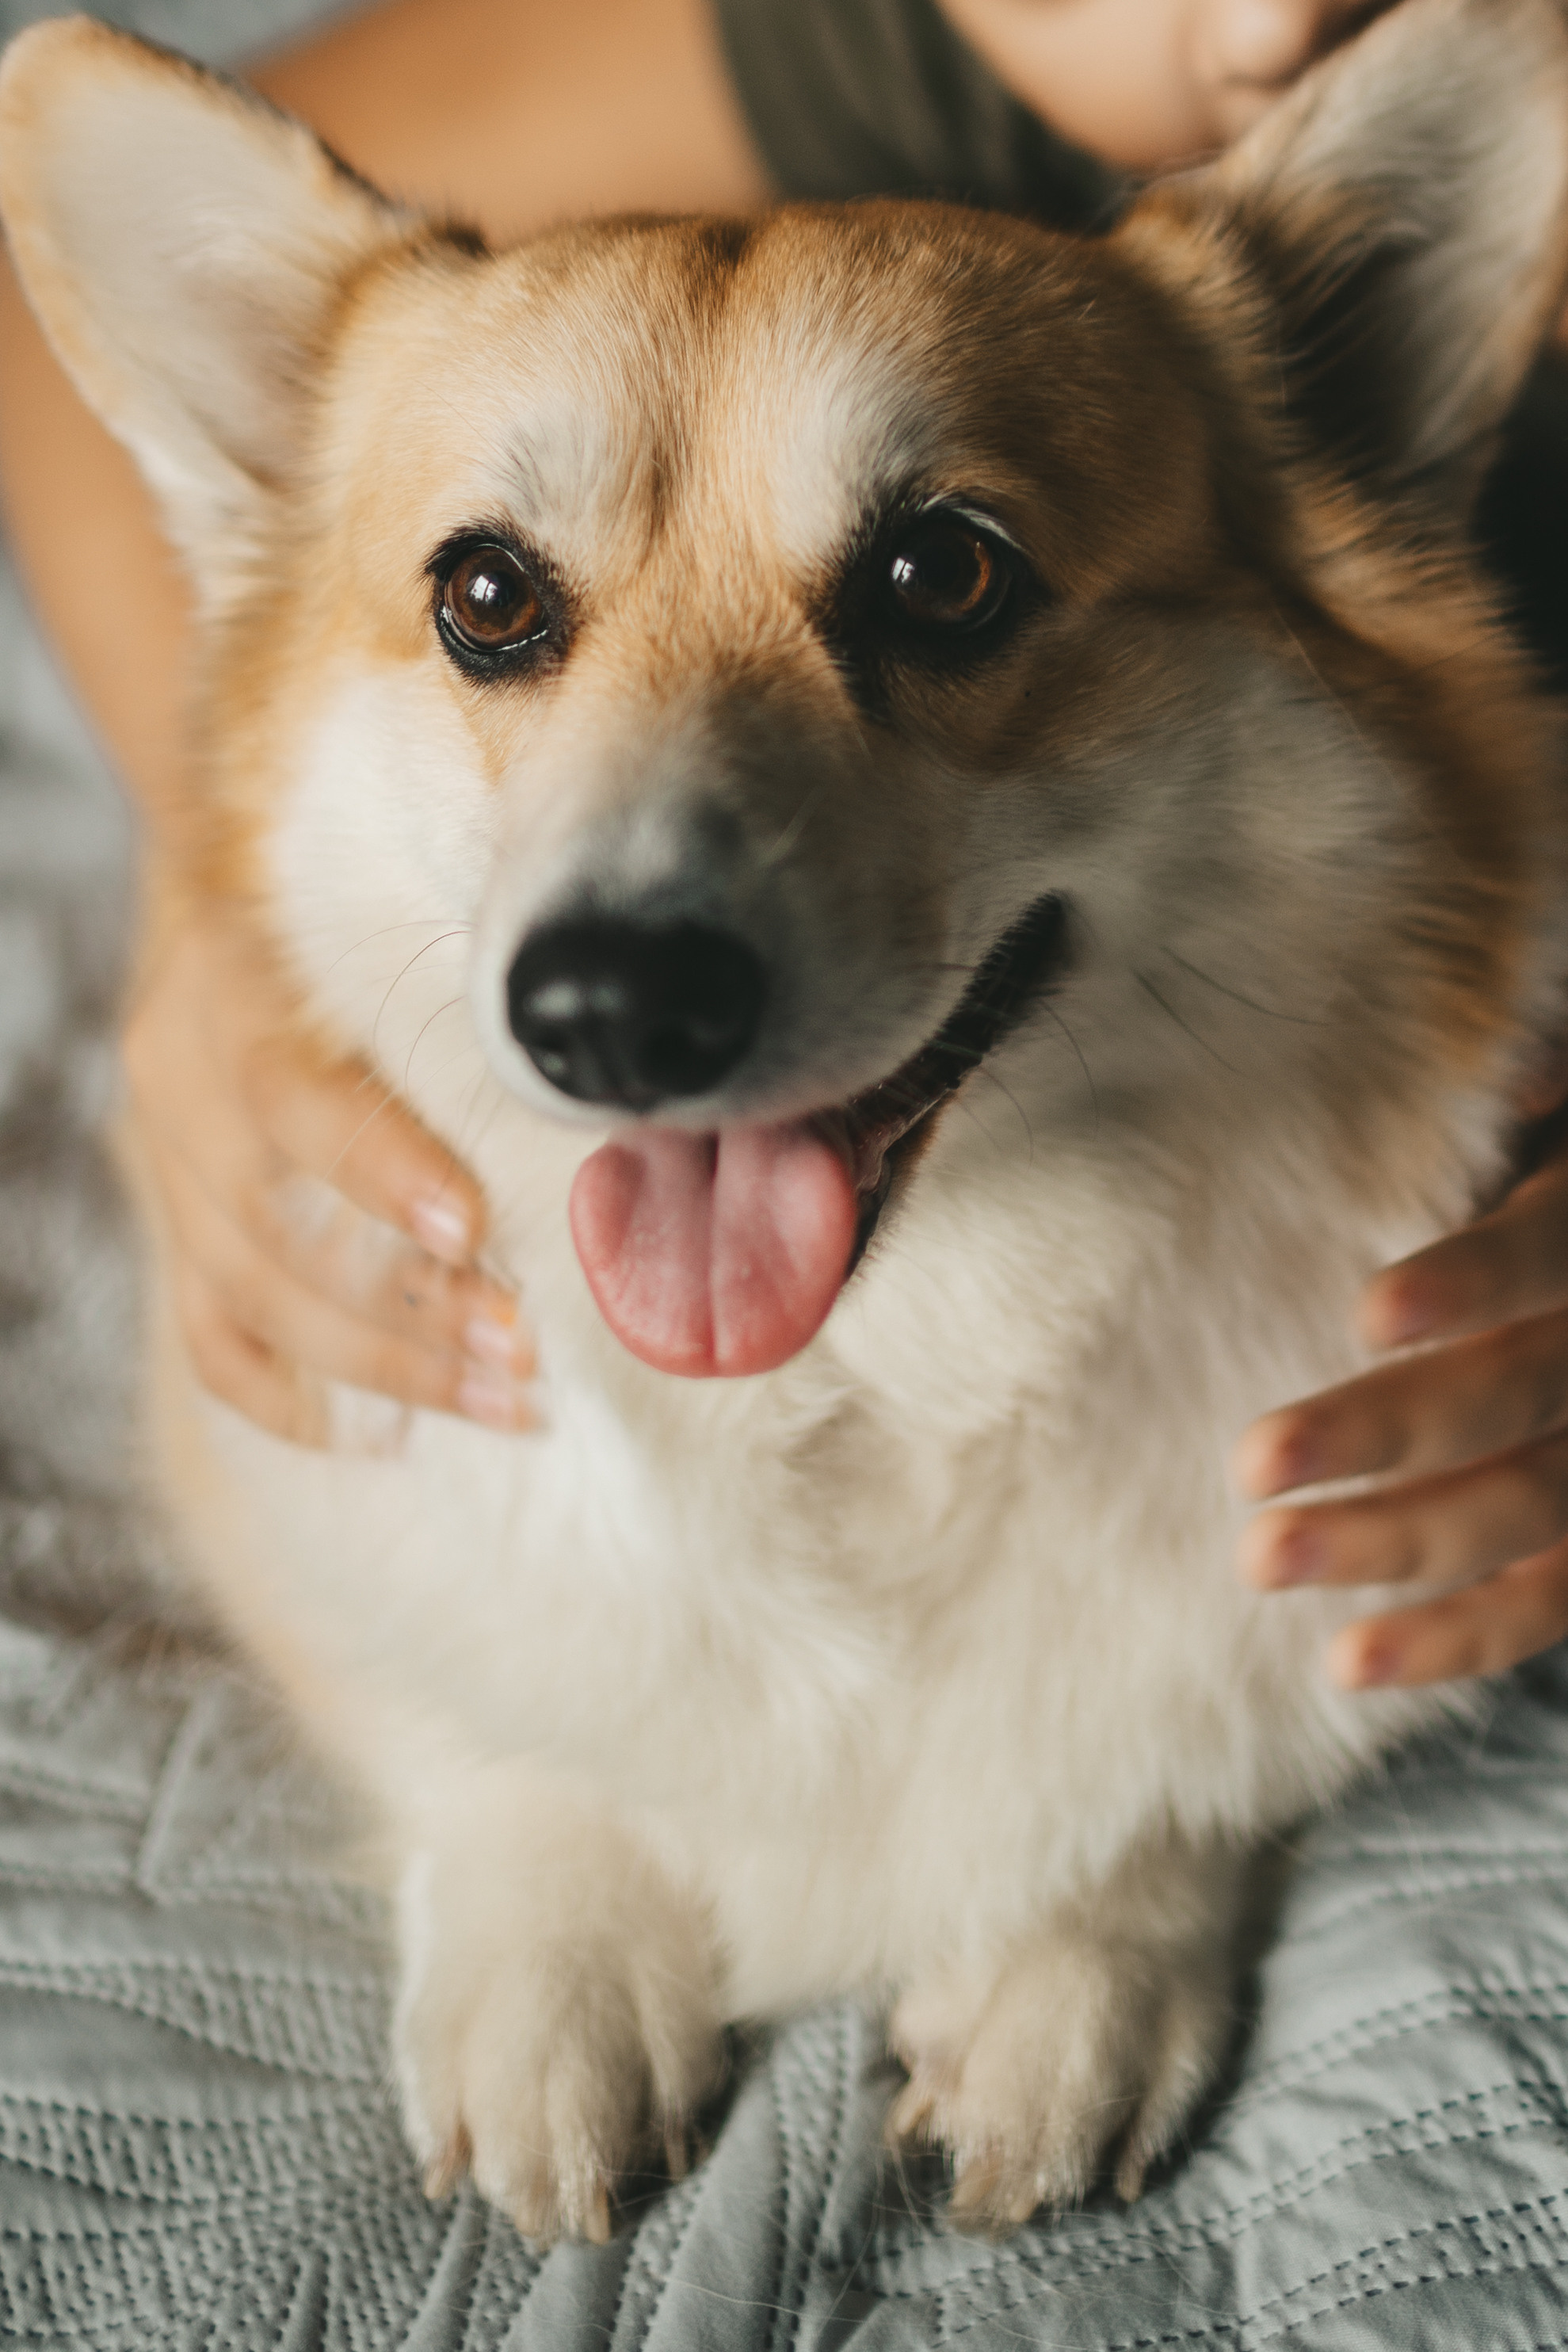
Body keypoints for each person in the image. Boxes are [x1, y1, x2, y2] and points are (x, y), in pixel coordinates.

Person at [2, 0, 1566, 1697]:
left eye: (941, 582)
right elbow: (84, 293)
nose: (1273, 18)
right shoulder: (927, 28)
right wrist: (215, 879)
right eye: (498, 601)